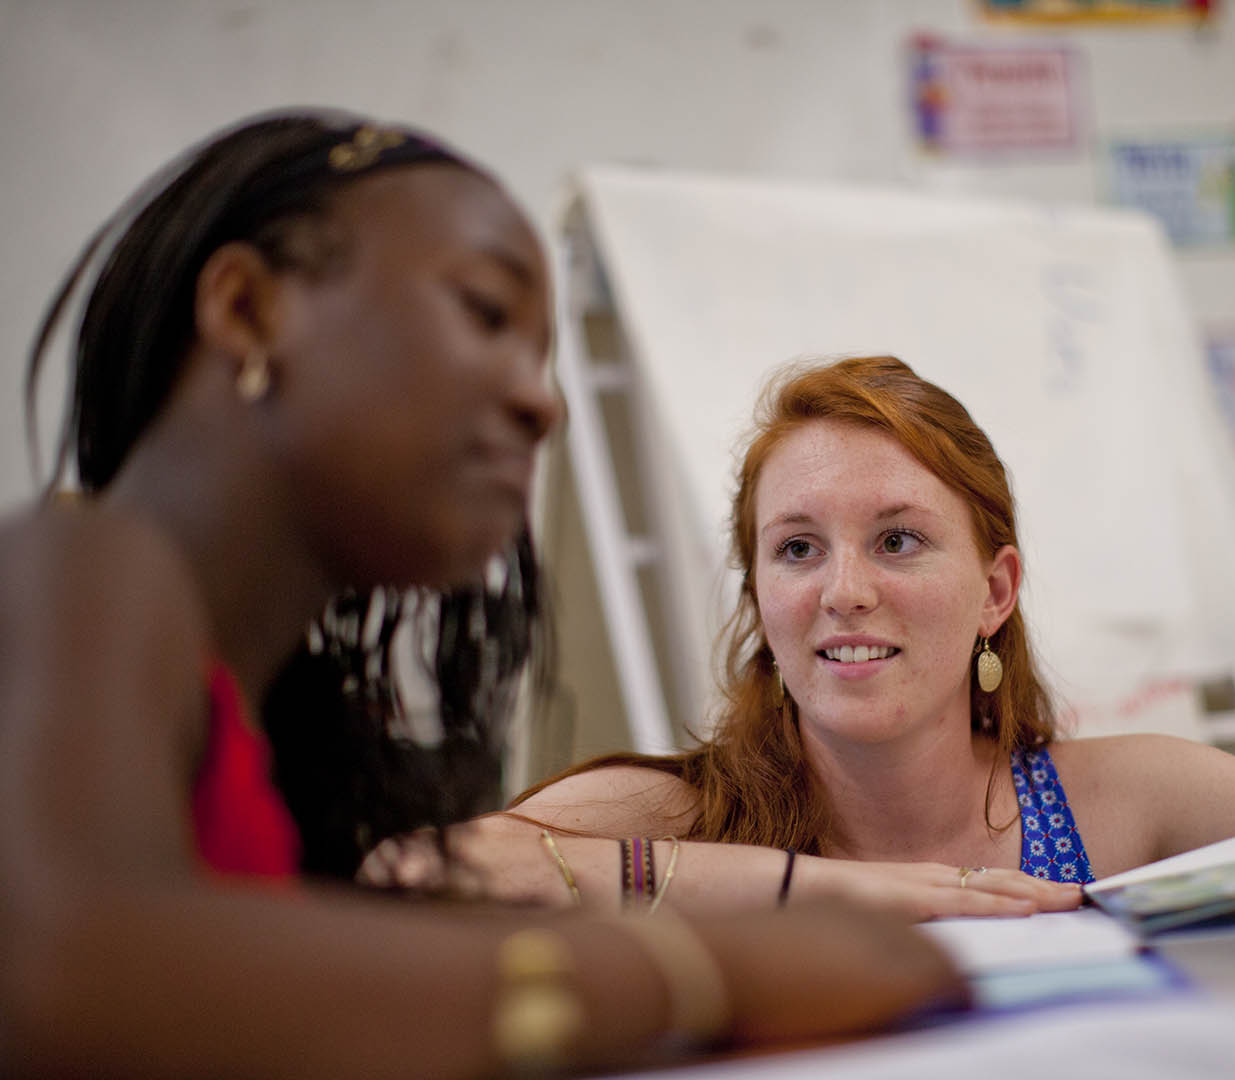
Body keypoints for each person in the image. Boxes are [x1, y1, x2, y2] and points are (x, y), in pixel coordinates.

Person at [0, 114, 1001, 1077]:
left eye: (542, 357)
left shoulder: (243, 707)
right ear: (248, 309)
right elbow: (66, 967)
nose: (543, 402)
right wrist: (709, 970)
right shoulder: (79, 566)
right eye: (485, 312)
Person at [484, 355, 1235, 891]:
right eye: (798, 547)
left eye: (901, 539)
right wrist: (836, 893)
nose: (845, 590)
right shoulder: (686, 813)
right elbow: (434, 874)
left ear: (996, 591)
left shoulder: (1133, 800)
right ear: (760, 599)